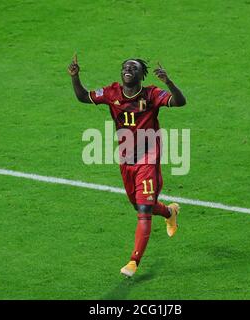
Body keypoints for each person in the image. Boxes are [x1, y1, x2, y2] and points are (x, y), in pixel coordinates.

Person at [68, 54, 187, 277]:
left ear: (142, 74)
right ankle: (170, 212)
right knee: (140, 205)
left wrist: (169, 82)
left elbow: (180, 102)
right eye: (125, 66)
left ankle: (133, 262)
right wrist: (75, 77)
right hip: (126, 160)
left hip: (147, 160)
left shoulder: (151, 94)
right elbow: (83, 97)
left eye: (133, 67)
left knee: (143, 211)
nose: (127, 69)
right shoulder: (112, 92)